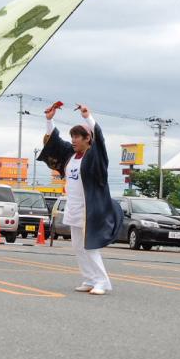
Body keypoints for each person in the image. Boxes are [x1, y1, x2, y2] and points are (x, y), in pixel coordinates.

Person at [38, 103, 122, 295]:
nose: (74, 140)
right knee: (77, 246)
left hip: (91, 209)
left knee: (90, 245)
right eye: (72, 137)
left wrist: (88, 118)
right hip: (74, 207)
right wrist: (49, 121)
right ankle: (89, 279)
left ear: (87, 139)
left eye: (78, 137)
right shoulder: (70, 155)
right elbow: (54, 144)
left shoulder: (94, 156)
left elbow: (100, 142)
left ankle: (102, 281)